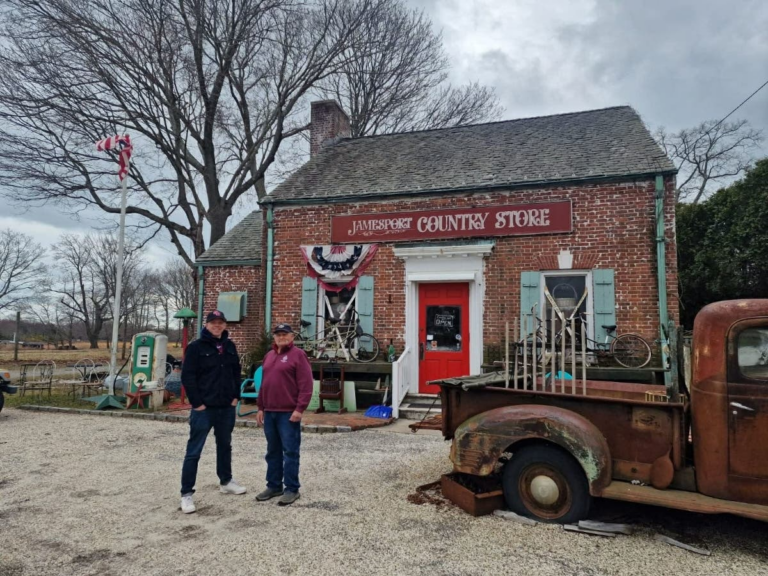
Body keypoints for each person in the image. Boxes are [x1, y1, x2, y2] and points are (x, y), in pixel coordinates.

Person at [179, 310, 247, 514]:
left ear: (225, 325)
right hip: (204, 409)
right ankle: (186, 494)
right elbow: (188, 377)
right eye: (213, 323)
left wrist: (236, 396)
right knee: (194, 451)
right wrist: (197, 403)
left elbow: (236, 372)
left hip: (226, 407)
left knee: (225, 445)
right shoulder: (195, 348)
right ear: (206, 325)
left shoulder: (230, 346)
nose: (217, 326)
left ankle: (226, 481)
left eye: (220, 322)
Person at [255, 323, 313, 506]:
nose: (281, 337)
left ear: (292, 337)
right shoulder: (269, 356)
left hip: (288, 413)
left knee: (290, 451)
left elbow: (306, 384)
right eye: (278, 334)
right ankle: (274, 485)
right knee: (272, 451)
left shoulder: (298, 356)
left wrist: (299, 409)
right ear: (274, 337)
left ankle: (291, 488)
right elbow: (264, 384)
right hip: (270, 411)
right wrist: (260, 407)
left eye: (285, 334)